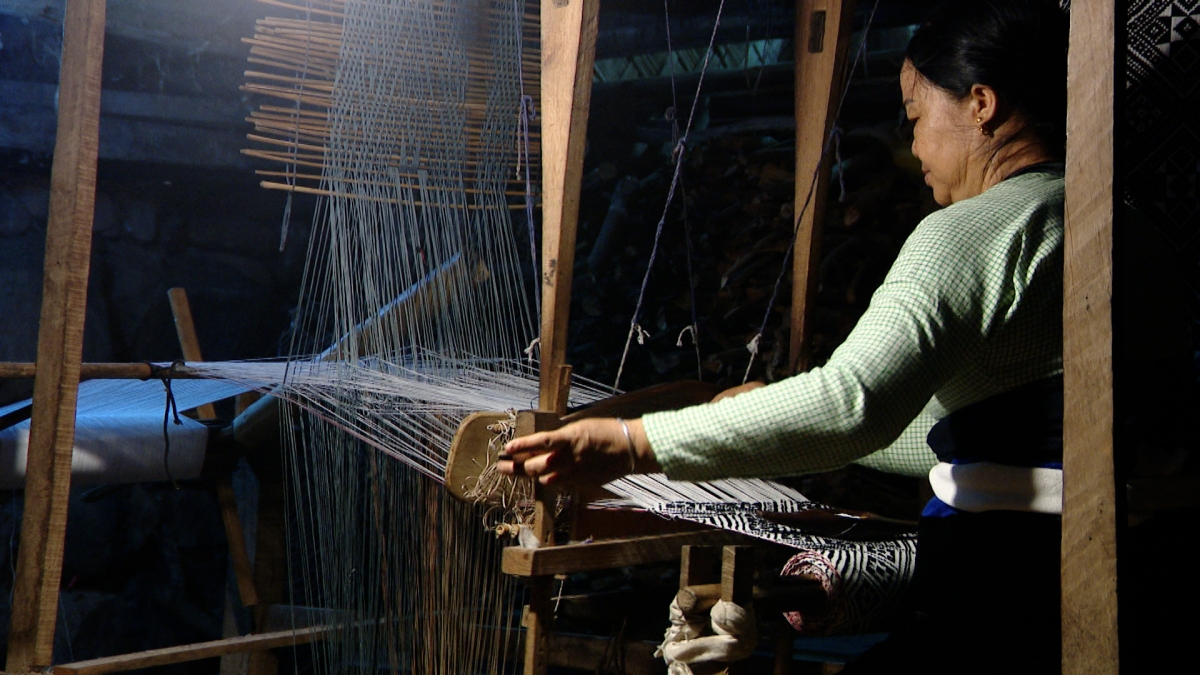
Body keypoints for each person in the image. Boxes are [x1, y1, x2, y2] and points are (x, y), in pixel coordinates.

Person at [500, 1, 1070, 672]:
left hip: (1014, 581)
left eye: (915, 115)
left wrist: (632, 442)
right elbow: (996, 435)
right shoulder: (1092, 213)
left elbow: (851, 404)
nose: (912, 145)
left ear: (981, 103)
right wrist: (759, 412)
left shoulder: (973, 232)